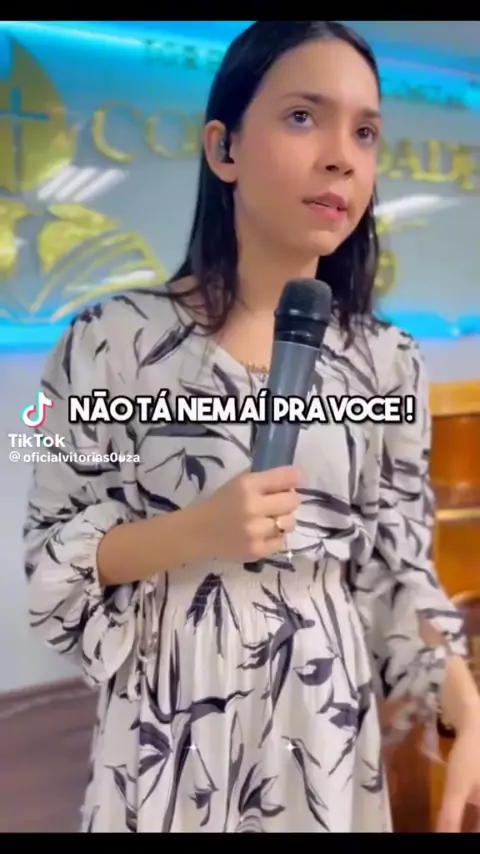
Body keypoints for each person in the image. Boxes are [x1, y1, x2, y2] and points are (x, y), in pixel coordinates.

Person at [24, 21, 480, 833]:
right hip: (172, 723)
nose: (342, 156)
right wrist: (193, 532)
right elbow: (52, 557)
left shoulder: (390, 363)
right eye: (304, 116)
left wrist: (458, 689)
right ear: (224, 147)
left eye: (365, 132)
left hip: (323, 726)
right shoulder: (111, 340)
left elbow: (396, 571)